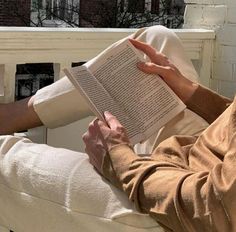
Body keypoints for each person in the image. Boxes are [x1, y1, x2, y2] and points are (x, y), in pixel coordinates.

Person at [0, 25, 233, 231]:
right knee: (155, 40)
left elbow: (216, 210)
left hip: (179, 213)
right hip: (202, 157)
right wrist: (193, 94)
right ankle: (17, 114)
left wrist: (119, 160)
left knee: (3, 155)